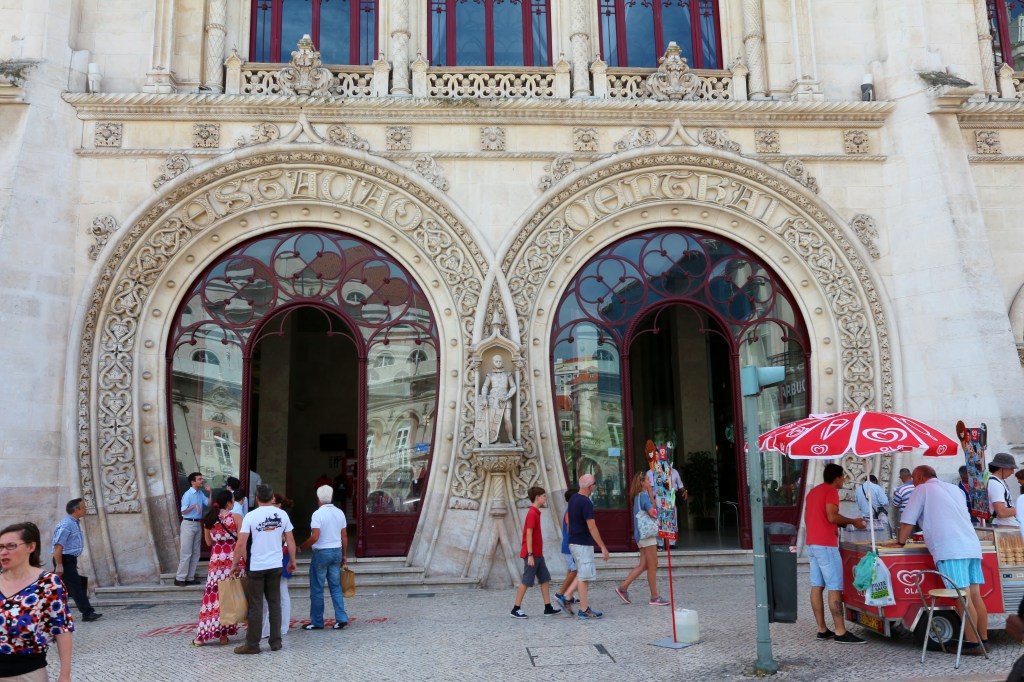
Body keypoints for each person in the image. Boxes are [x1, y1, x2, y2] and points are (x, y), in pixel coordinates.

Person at [897, 465, 988, 655]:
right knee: (975, 595)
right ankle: (983, 640)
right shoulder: (954, 489)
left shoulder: (922, 489)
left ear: (919, 477)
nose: (913, 483)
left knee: (963, 597)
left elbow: (907, 521)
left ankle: (972, 643)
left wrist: (900, 543)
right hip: (971, 545)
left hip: (951, 548)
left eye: (914, 479)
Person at [0, 522, 73, 682]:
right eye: (0, 547)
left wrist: (65, 675)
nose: (3, 552)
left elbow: (62, 629)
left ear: (31, 547)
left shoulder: (48, 583)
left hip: (26, 674)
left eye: (11, 546)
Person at [805, 463, 867, 644]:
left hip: (812, 543)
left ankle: (822, 629)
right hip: (826, 545)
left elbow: (812, 517)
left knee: (817, 585)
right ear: (837, 477)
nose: (844, 479)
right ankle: (840, 631)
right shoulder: (831, 492)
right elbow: (832, 516)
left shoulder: (813, 492)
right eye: (843, 476)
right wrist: (853, 521)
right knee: (834, 587)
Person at [231, 483, 297, 654]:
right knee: (275, 603)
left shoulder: (250, 516)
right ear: (272, 497)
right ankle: (276, 642)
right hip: (275, 564)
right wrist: (292, 560)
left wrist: (234, 564)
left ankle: (252, 644)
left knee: (256, 605)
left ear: (257, 498)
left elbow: (241, 543)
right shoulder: (282, 514)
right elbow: (290, 540)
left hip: (256, 565)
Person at [192, 490, 243, 647]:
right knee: (228, 597)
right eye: (233, 499)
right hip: (232, 561)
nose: (234, 502)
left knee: (213, 597)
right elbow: (241, 543)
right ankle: (223, 636)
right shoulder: (236, 518)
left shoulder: (209, 518)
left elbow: (208, 542)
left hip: (216, 563)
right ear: (228, 502)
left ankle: (202, 635)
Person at [298, 485, 349, 630]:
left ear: (318, 498)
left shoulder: (317, 514)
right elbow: (344, 536)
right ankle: (341, 618)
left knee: (317, 588)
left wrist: (301, 547)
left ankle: (317, 621)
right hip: (336, 551)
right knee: (336, 586)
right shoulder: (340, 513)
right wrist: (344, 554)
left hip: (321, 553)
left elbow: (315, 537)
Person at [615, 472, 668, 606]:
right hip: (647, 535)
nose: (650, 481)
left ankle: (623, 588)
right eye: (648, 480)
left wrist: (650, 491)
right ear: (642, 482)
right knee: (653, 565)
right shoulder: (643, 496)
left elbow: (650, 507)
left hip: (641, 535)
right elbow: (653, 512)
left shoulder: (638, 496)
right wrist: (665, 510)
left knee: (644, 565)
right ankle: (654, 597)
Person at [510, 486, 561, 618]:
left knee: (544, 579)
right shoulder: (532, 513)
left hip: (538, 554)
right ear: (537, 497)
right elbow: (529, 534)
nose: (545, 498)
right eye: (543, 496)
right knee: (526, 581)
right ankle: (515, 609)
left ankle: (548, 608)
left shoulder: (536, 512)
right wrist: (530, 555)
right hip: (532, 554)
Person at [567, 473, 610, 620]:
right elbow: (592, 526)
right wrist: (603, 547)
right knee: (584, 577)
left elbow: (569, 522)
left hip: (574, 541)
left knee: (582, 575)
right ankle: (583, 609)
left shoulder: (573, 498)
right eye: (594, 484)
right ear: (590, 486)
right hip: (582, 543)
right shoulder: (586, 502)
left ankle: (570, 598)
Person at [51, 498, 101, 622]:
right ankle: (87, 613)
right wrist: (59, 565)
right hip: (64, 559)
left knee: (67, 587)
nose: (85, 509)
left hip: (68, 559)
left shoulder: (73, 522)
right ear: (75, 510)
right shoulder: (67, 524)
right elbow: (58, 546)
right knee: (77, 586)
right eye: (83, 507)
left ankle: (53, 612)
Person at [262, 494, 294, 641]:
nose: (271, 505)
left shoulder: (281, 517)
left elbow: (286, 538)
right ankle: (280, 626)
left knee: (279, 592)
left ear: (279, 504)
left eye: (273, 503)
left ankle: (278, 627)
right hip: (276, 556)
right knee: (280, 592)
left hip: (280, 556)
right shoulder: (275, 515)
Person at [176, 472, 212, 586]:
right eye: (199, 479)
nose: (202, 480)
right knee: (186, 552)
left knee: (196, 553)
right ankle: (180, 578)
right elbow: (183, 511)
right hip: (188, 523)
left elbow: (209, 503)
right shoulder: (187, 494)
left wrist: (210, 492)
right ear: (193, 482)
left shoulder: (200, 493)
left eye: (202, 478)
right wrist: (194, 506)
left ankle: (190, 577)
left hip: (197, 524)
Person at [477, 354, 517, 445]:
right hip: (493, 400)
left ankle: (510, 437)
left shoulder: (508, 374)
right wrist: (484, 398)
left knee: (507, 419)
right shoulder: (490, 375)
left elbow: (513, 387)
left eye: (500, 361)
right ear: (493, 362)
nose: (498, 363)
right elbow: (485, 387)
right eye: (496, 361)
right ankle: (495, 438)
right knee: (494, 421)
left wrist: (507, 396)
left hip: (505, 399)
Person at [647, 465, 686, 549]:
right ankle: (659, 544)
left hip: (670, 498)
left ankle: (671, 543)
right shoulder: (650, 473)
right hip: (657, 500)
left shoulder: (674, 472)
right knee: (659, 521)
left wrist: (685, 491)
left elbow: (680, 486)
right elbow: (647, 488)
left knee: (671, 520)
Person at [554, 488, 578, 615]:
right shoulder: (570, 511)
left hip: (568, 545)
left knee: (571, 570)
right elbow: (571, 529)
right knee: (575, 570)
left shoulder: (569, 510)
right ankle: (561, 593)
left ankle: (569, 595)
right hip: (570, 546)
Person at [987, 452, 1019, 528]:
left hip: (1008, 526)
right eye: (1011, 469)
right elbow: (1002, 512)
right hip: (1006, 528)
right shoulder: (995, 484)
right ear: (1003, 468)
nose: (1012, 472)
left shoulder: (997, 481)